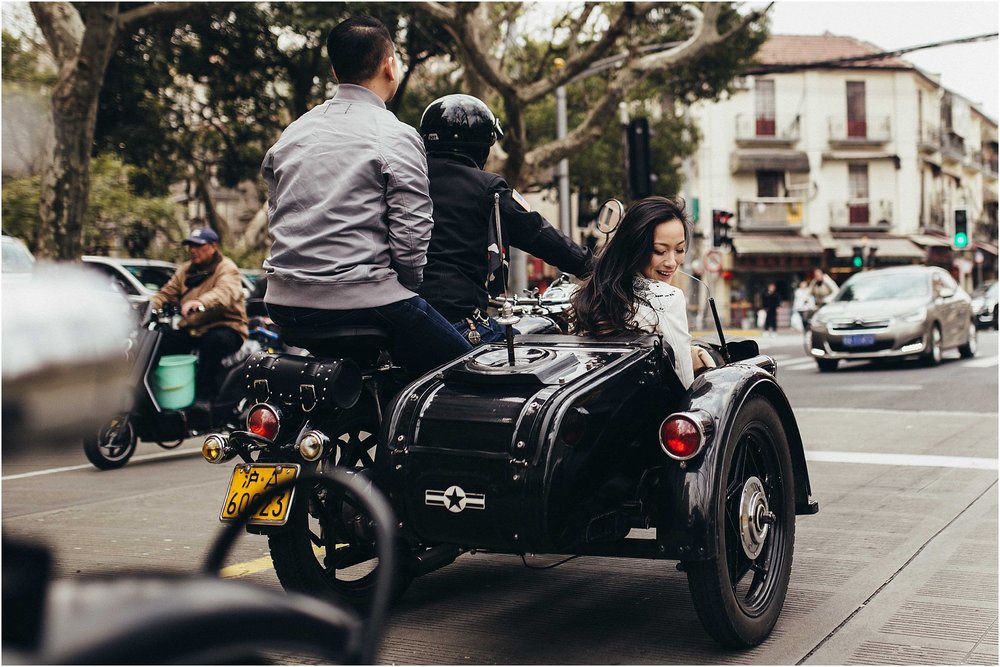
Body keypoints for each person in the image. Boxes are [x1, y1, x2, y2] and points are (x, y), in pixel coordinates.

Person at [260, 16, 471, 374]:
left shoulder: (295, 131)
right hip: (360, 302)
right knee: (467, 370)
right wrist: (405, 286)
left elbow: (277, 209)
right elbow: (411, 235)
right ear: (390, 65)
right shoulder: (394, 134)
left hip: (282, 302)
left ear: (333, 69)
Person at [417, 94, 593, 344]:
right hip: (460, 325)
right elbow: (539, 234)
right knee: (544, 332)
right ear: (482, 145)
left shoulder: (406, 180)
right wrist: (594, 266)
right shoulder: (487, 188)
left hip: (406, 319)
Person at [570, 196, 715, 389]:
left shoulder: (595, 291)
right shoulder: (668, 298)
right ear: (635, 248)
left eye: (680, 249)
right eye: (659, 251)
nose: (672, 262)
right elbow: (683, 379)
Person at [150, 227, 248, 402]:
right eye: (190, 246)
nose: (192, 250)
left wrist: (201, 302)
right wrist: (149, 306)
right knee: (159, 340)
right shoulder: (185, 270)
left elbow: (225, 292)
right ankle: (155, 394)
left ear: (213, 246)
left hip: (227, 327)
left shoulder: (226, 268)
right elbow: (166, 293)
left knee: (212, 343)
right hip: (194, 328)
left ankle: (204, 400)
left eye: (198, 245)